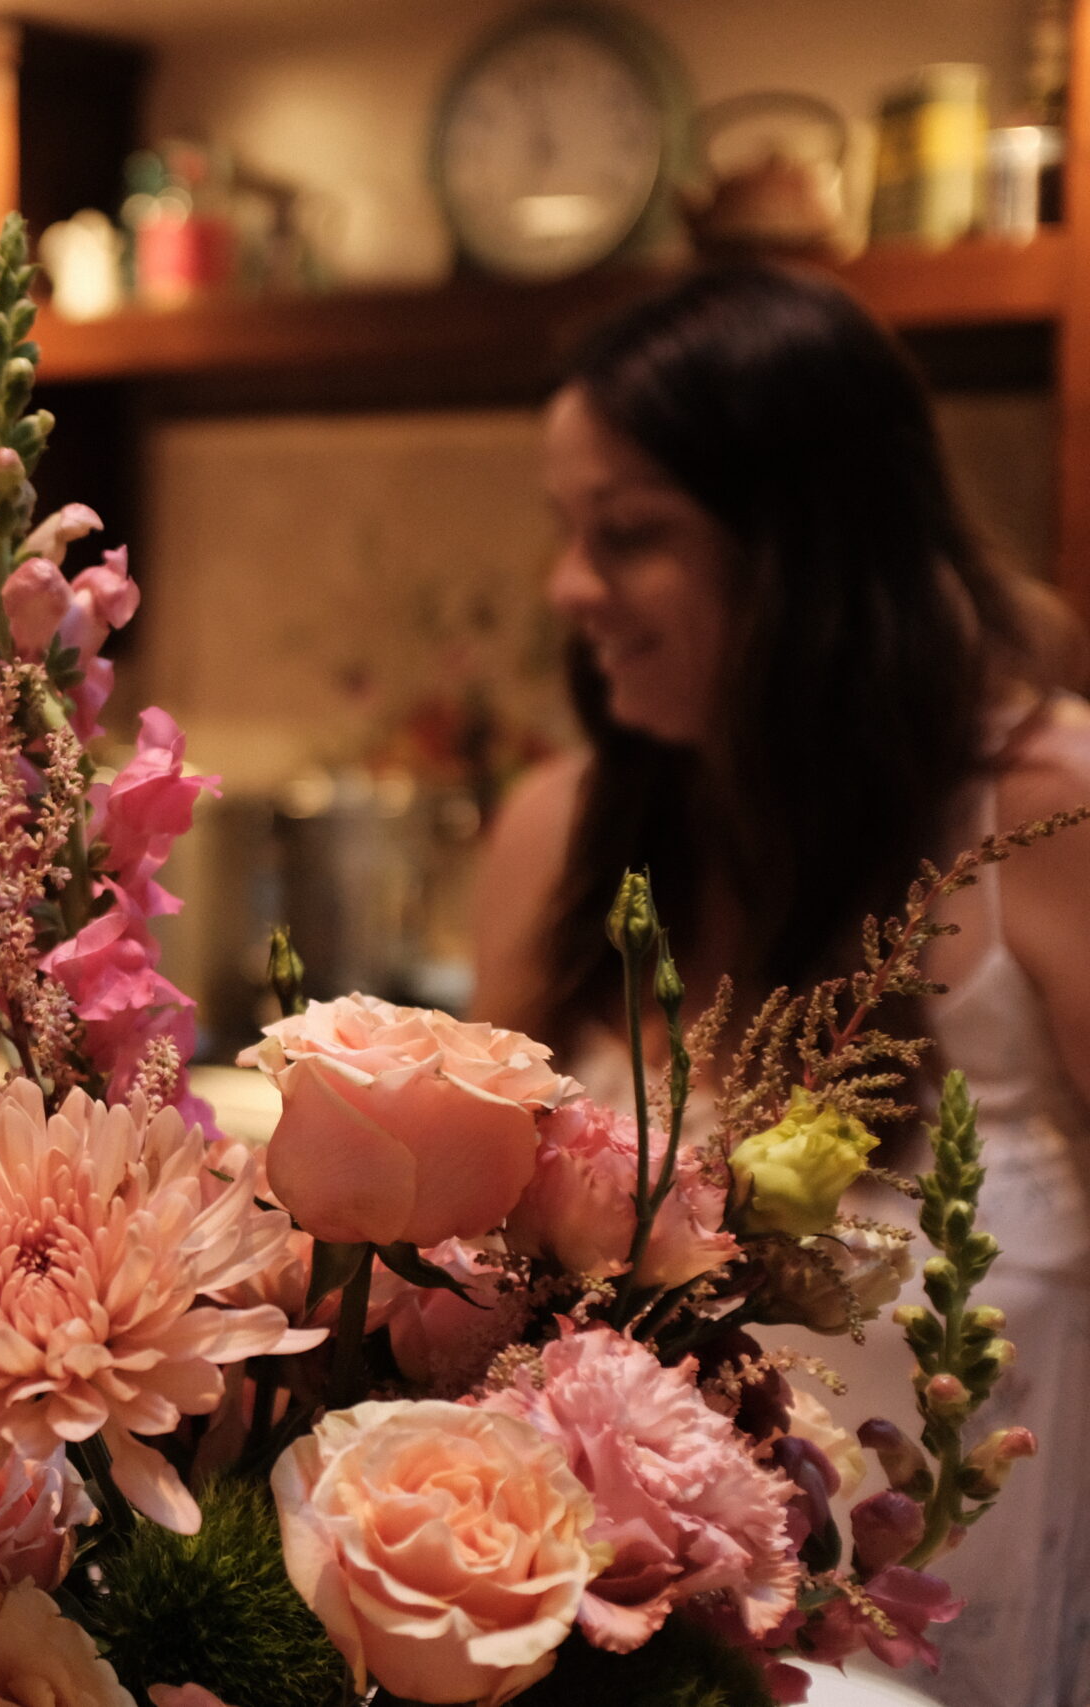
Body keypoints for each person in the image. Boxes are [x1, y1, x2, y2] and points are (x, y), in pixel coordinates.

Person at [470, 264, 1090, 1707]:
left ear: (810, 551)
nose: (572, 588)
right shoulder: (558, 833)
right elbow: (463, 1297)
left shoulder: (1048, 820)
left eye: (628, 535)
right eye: (570, 529)